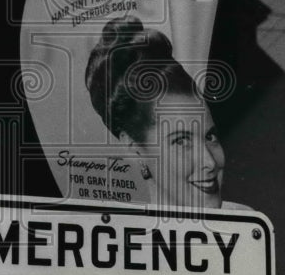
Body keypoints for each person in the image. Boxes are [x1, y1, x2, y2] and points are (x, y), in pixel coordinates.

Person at [85, 16, 245, 210]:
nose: (210, 161)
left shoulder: (247, 222)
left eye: (210, 136)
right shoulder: (123, 236)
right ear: (135, 148)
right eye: (181, 141)